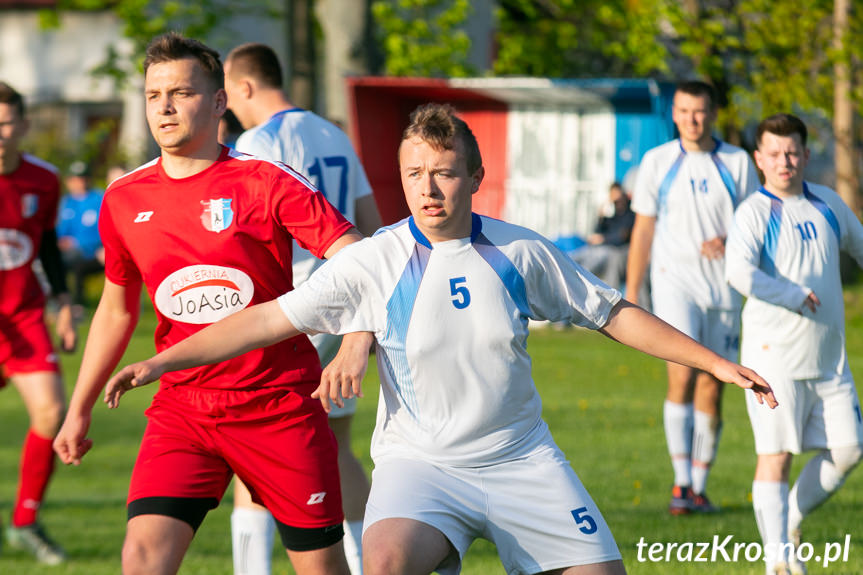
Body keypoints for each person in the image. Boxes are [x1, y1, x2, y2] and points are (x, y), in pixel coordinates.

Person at [103, 103, 777, 575]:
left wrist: (715, 362)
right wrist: (160, 360)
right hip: (420, 468)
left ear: (475, 178)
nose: (429, 189)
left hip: (522, 460)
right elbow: (265, 318)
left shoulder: (521, 252)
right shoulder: (374, 260)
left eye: (445, 172)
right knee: (385, 562)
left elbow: (614, 312)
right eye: (414, 174)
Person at [52, 32, 365, 575]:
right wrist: (77, 407)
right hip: (183, 410)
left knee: (321, 569)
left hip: (277, 406)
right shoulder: (124, 197)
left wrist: (356, 341)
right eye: (153, 95)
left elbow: (357, 257)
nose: (165, 107)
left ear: (220, 101)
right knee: (142, 555)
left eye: (181, 92)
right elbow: (117, 309)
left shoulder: (265, 180)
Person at [224, 42, 381, 575]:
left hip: (289, 310)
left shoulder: (257, 142)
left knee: (255, 445)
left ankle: (252, 570)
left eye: (226, 92)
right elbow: (369, 219)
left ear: (244, 86)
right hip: (345, 304)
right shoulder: (333, 133)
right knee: (336, 447)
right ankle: (366, 564)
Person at [725, 113, 863, 575]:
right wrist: (791, 294)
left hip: (829, 361)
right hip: (773, 359)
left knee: (849, 450)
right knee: (776, 457)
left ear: (805, 155)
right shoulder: (753, 213)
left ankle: (790, 523)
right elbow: (739, 273)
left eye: (792, 152)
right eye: (774, 153)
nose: (784, 161)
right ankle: (778, 562)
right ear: (759, 159)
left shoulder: (827, 204)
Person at [625, 80, 761, 514]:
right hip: (673, 283)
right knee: (681, 375)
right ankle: (681, 483)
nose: (691, 119)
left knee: (713, 384)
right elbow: (643, 228)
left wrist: (729, 238)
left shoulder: (737, 162)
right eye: (683, 111)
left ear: (713, 112)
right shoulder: (657, 162)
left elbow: (755, 224)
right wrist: (632, 290)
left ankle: (699, 486)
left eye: (699, 111)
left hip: (723, 289)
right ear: (675, 113)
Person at [0, 81, 77, 564]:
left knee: (51, 413)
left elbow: (46, 245)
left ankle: (25, 521)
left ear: (24, 125)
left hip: (24, 315)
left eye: (7, 123)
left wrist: (64, 302)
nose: (0, 134)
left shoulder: (43, 179)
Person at [57, 160, 105, 308]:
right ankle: (58, 303)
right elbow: (60, 232)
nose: (80, 182)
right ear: (69, 181)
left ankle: (77, 305)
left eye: (83, 178)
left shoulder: (100, 199)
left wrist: (77, 243)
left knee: (77, 265)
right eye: (76, 179)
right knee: (52, 261)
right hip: (69, 252)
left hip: (95, 253)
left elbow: (105, 230)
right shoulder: (66, 203)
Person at [570, 182, 635, 288]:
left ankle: (578, 285)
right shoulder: (611, 215)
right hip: (597, 248)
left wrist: (603, 239)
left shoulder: (629, 214)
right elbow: (597, 231)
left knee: (588, 267)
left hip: (613, 250)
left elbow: (622, 237)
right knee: (574, 257)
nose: (616, 201)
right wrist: (601, 216)